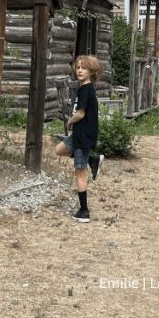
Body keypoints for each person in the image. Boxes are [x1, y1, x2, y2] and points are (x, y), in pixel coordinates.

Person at [54, 54, 103, 223]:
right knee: (59, 149)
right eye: (78, 67)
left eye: (84, 68)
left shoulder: (86, 89)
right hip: (79, 135)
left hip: (83, 137)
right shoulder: (84, 88)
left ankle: (84, 211)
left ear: (92, 71)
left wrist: (70, 121)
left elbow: (80, 113)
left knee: (80, 174)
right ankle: (93, 159)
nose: (80, 70)